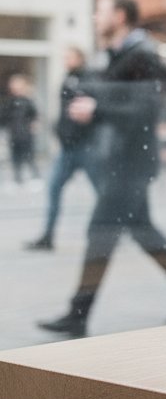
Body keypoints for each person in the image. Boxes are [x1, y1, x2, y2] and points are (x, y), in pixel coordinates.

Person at [38, 0, 166, 338]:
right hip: (121, 161)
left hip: (130, 164)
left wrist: (96, 109)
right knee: (143, 230)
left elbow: (145, 111)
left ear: (119, 16)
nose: (95, 17)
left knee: (100, 231)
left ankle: (78, 313)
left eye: (100, 11)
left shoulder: (140, 56)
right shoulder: (117, 57)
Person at [25, 47, 96, 250]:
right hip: (68, 147)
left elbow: (90, 112)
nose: (65, 60)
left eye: (68, 56)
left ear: (79, 58)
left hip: (86, 147)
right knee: (54, 188)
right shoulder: (68, 79)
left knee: (103, 192)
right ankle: (48, 236)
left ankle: (117, 232)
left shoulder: (88, 79)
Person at [1, 74, 40, 184]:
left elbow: (35, 115)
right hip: (14, 134)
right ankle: (18, 178)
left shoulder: (28, 101)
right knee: (15, 157)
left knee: (29, 156)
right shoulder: (9, 102)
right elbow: (3, 117)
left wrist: (34, 125)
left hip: (26, 134)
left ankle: (35, 176)